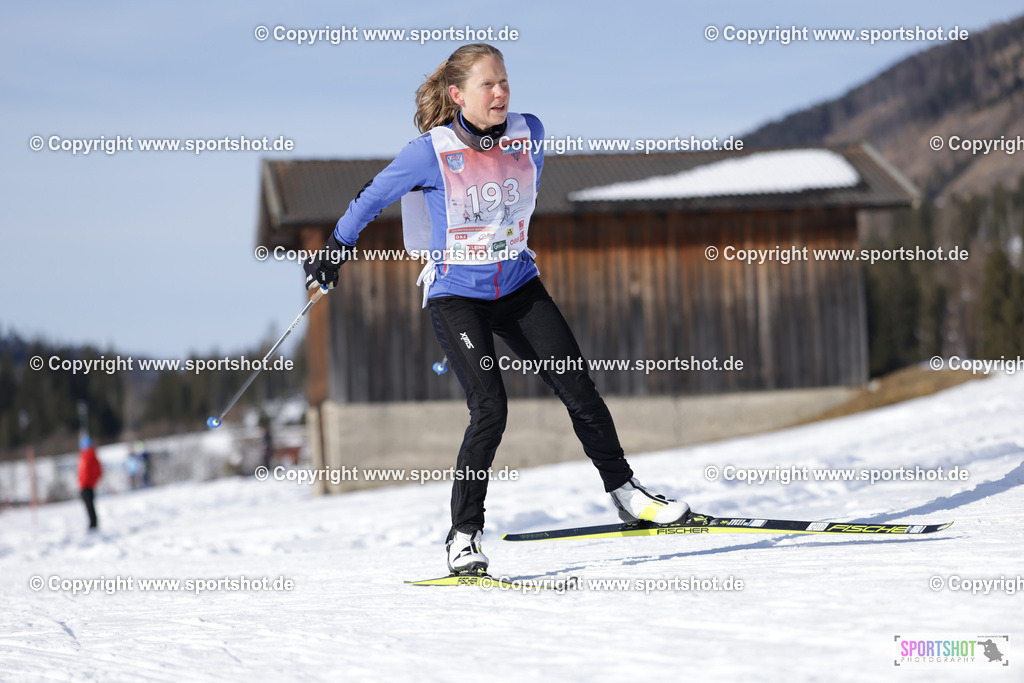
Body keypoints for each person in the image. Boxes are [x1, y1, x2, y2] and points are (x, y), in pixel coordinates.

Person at [304, 43, 690, 574]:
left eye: (505, 82)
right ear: (457, 94)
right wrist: (334, 249)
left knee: (578, 388)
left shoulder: (531, 132)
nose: (501, 93)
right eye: (488, 85)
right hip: (457, 297)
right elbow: (371, 196)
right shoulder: (429, 152)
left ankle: (627, 494)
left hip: (518, 285)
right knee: (491, 407)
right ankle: (463, 535)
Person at [77, 436, 102, 531]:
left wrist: (90, 481)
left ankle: (93, 523)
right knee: (88, 505)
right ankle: (92, 523)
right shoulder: (84, 456)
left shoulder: (90, 456)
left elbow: (97, 472)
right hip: (84, 485)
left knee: (90, 505)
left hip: (88, 486)